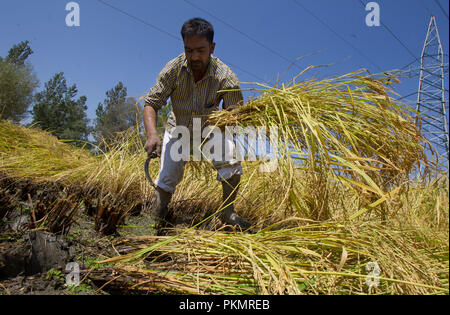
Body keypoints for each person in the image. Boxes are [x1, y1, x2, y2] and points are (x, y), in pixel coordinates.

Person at [143, 18, 251, 231]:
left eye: (200, 50)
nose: (194, 57)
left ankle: (227, 212)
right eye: (188, 50)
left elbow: (234, 115)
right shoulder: (173, 70)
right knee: (167, 175)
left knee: (230, 157)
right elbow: (151, 103)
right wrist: (152, 134)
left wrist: (233, 120)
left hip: (209, 128)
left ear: (212, 48)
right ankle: (156, 215)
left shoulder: (226, 77)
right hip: (178, 128)